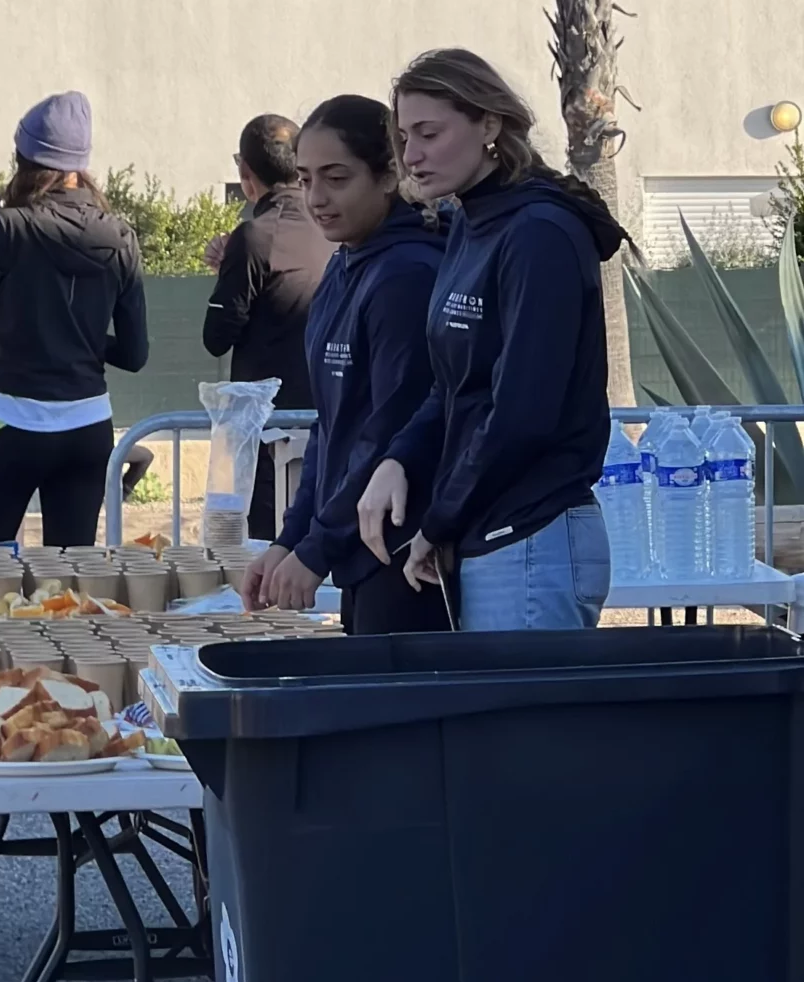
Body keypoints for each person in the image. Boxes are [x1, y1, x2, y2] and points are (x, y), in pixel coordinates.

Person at [358, 47, 623, 632]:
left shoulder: (540, 234)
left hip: (533, 534)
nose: (412, 155)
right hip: (489, 534)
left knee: (529, 728)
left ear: (491, 125)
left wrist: (439, 520)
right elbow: (454, 385)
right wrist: (399, 458)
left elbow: (523, 412)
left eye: (429, 133)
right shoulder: (471, 225)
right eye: (404, 137)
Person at [244, 96, 449, 632]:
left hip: (404, 554)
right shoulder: (343, 267)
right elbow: (332, 430)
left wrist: (317, 548)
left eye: (336, 178)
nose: (317, 198)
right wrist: (290, 539)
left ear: (388, 175)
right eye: (306, 179)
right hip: (357, 552)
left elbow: (390, 433)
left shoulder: (408, 274)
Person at [0, 92, 147, 548]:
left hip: (10, 423)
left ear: (23, 158)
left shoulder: (9, 227)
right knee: (70, 583)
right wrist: (84, 339)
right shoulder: (121, 237)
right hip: (87, 427)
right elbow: (136, 355)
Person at [202, 114, 330, 540]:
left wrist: (229, 272)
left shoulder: (256, 236)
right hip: (328, 422)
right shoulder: (335, 227)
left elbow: (216, 335)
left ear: (245, 174)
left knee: (261, 555)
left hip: (267, 433)